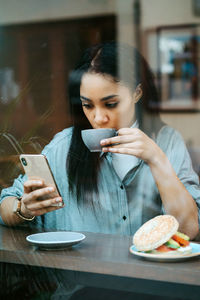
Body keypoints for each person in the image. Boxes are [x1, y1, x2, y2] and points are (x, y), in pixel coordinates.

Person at [0, 41, 200, 300]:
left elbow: (188, 230)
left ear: (137, 93)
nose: (98, 118)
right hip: (82, 290)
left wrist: (156, 159)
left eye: (110, 103)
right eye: (88, 105)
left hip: (153, 287)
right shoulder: (64, 147)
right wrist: (23, 209)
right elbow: (5, 203)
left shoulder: (166, 142)